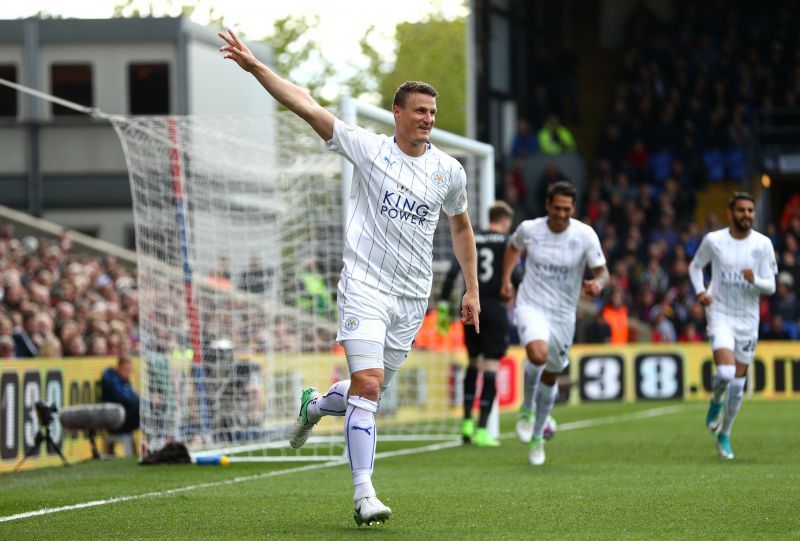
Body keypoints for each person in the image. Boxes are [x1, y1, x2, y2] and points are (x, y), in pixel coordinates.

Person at [219, 29, 480, 526]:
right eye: (419, 111)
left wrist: (472, 288)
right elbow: (306, 104)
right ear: (398, 113)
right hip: (364, 284)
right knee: (367, 382)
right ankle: (365, 495)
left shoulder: (449, 171)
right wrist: (256, 68)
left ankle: (315, 405)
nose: (427, 119)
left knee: (369, 391)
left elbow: (461, 226)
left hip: (411, 296)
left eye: (432, 112)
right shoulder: (368, 148)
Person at [500, 181, 608, 466]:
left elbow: (603, 273)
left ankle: (537, 438)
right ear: (548, 205)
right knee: (537, 354)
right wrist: (506, 281)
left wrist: (598, 284)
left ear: (573, 209)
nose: (562, 213)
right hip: (531, 305)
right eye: (557, 208)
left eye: (567, 209)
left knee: (551, 375)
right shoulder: (530, 229)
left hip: (563, 315)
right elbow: (513, 248)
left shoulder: (584, 235)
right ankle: (526, 408)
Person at [689, 192, 777, 460]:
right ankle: (716, 401)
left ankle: (724, 434)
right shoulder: (714, 241)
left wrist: (756, 281)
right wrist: (700, 291)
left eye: (750, 211)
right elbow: (695, 267)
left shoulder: (763, 244)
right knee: (726, 373)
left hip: (748, 320)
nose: (747, 215)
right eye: (741, 210)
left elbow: (771, 286)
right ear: (731, 213)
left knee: (738, 386)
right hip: (720, 313)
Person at [440, 201, 514, 447]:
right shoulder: (506, 243)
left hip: (470, 306)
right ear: (504, 222)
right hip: (493, 308)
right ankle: (483, 430)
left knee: (473, 362)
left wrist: (442, 303)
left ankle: (466, 424)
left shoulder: (473, 237)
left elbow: (452, 272)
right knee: (491, 366)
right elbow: (517, 275)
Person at [100, 355, 141, 454]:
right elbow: (121, 398)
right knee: (140, 405)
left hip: (126, 417)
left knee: (149, 407)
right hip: (114, 420)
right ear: (119, 367)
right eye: (126, 370)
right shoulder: (111, 378)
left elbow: (132, 397)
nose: (128, 373)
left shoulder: (126, 382)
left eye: (130, 371)